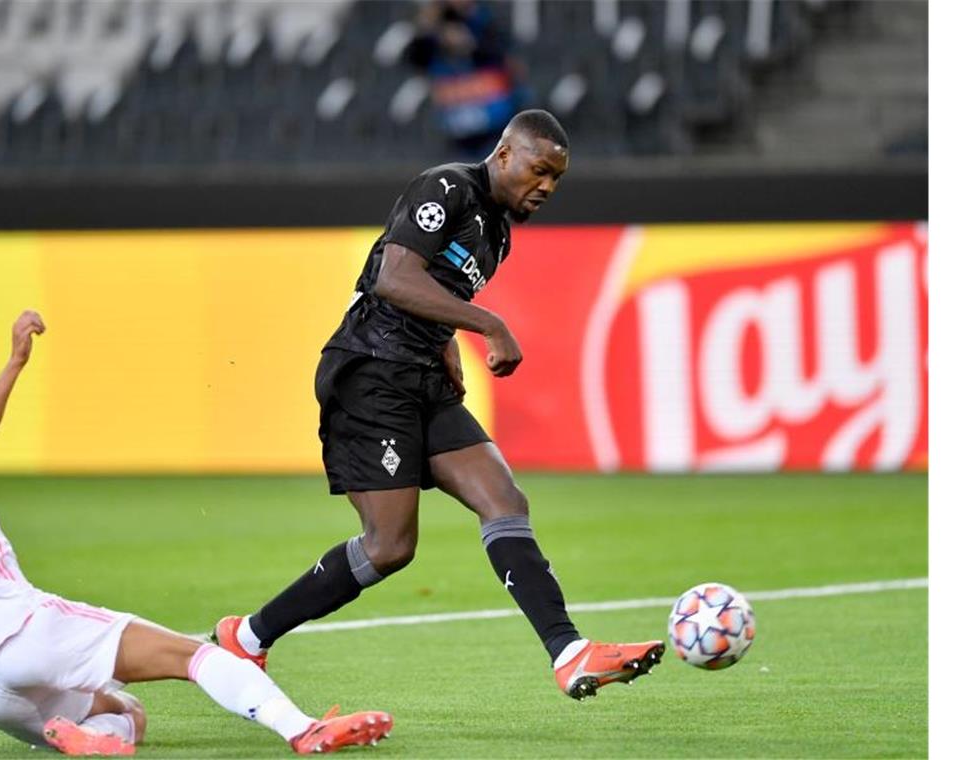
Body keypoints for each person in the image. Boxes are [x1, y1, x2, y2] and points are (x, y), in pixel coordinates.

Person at [213, 110, 664, 701]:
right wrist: (488, 325)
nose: (547, 187)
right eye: (539, 170)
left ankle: (569, 651)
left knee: (504, 499)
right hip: (370, 373)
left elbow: (436, 290)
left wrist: (448, 342)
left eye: (556, 178)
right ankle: (247, 637)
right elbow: (395, 279)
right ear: (504, 154)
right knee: (389, 547)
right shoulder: (446, 187)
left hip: (423, 377)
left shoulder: (499, 231)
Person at [0, 311, 392, 756]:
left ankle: (87, 738)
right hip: (20, 630)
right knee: (197, 657)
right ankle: (301, 727)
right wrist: (15, 363)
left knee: (127, 714)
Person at [404, 0, 527, 157]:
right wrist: (429, 26)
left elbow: (503, 55)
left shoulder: (484, 23)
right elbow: (415, 57)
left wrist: (470, 45)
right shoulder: (432, 42)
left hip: (495, 131)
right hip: (456, 137)